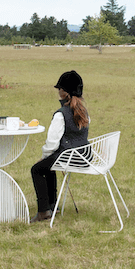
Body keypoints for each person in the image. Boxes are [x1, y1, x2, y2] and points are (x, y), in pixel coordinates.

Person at [29, 71, 90, 223]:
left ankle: (44, 210)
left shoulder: (60, 114)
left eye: (59, 89)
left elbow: (52, 143)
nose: (58, 92)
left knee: (37, 169)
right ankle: (52, 205)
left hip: (68, 156)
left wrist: (43, 157)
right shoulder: (84, 111)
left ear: (64, 92)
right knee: (48, 166)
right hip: (84, 157)